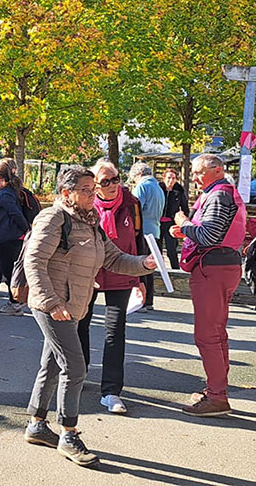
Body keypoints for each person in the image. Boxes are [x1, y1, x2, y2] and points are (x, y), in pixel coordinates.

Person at [21, 165, 156, 467]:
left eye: (92, 187)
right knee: (75, 367)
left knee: (53, 364)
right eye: (86, 189)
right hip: (54, 306)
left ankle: (37, 425)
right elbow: (35, 261)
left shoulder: (89, 222)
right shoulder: (53, 218)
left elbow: (113, 258)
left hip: (74, 306)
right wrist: (52, 303)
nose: (93, 193)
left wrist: (145, 263)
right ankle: (69, 434)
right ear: (66, 193)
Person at [169, 153, 247, 417]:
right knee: (216, 332)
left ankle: (217, 395)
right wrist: (187, 229)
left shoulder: (217, 195)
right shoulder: (223, 192)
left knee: (207, 335)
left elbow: (208, 234)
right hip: (223, 266)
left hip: (211, 268)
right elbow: (213, 231)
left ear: (216, 170)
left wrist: (184, 224)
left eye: (197, 172)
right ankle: (215, 388)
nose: (193, 177)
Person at [82, 160, 144, 415]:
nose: (111, 185)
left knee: (115, 332)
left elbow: (140, 241)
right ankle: (79, 371)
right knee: (80, 324)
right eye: (105, 181)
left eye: (115, 179)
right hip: (89, 274)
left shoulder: (132, 204)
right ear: (95, 186)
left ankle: (111, 391)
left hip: (122, 272)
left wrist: (141, 277)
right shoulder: (85, 207)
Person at [0, 160, 31, 315]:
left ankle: (15, 303)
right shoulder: (13, 190)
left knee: (10, 272)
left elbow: (14, 213)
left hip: (7, 236)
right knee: (13, 270)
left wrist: (26, 229)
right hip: (12, 236)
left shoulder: (4, 193)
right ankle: (17, 301)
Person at [130, 162, 164, 311]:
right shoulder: (158, 187)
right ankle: (149, 300)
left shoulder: (142, 187)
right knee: (150, 267)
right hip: (155, 230)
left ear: (138, 175)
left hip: (142, 231)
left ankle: (141, 302)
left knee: (141, 266)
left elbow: (134, 208)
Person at [159, 167, 189, 270]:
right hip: (157, 223)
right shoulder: (158, 189)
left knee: (171, 250)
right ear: (164, 178)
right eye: (168, 178)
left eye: (173, 178)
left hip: (171, 223)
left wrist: (184, 222)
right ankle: (157, 270)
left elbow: (185, 208)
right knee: (157, 250)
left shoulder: (179, 191)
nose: (170, 180)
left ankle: (175, 270)